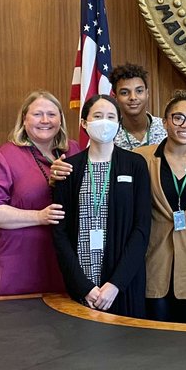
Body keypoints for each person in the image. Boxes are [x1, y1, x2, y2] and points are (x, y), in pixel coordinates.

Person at [51, 95, 150, 317]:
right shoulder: (68, 168)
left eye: (110, 117)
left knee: (126, 348)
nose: (104, 122)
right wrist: (83, 286)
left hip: (123, 285)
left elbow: (142, 229)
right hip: (81, 284)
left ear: (118, 124)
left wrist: (115, 284)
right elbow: (60, 233)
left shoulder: (136, 165)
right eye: (97, 116)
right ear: (85, 123)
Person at [0, 90, 80, 296]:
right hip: (20, 263)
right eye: (37, 114)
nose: (45, 120)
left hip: (66, 261)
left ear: (61, 119)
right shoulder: (3, 156)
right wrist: (39, 216)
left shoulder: (74, 150)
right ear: (24, 119)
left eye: (52, 114)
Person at [138, 91, 186, 324]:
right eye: (178, 118)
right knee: (155, 339)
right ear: (165, 122)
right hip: (155, 260)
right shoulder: (142, 158)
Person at [108, 63, 166, 150]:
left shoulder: (166, 129)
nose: (133, 97)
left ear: (147, 93)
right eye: (124, 93)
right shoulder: (109, 135)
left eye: (139, 91)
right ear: (115, 97)